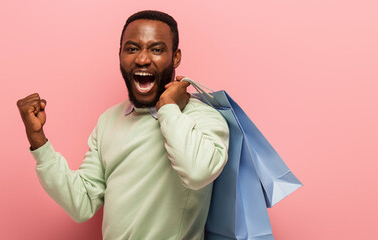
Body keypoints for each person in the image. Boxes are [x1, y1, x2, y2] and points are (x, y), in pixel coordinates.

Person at [15, 10, 229, 240]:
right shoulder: (109, 120)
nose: (142, 59)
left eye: (156, 49)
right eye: (132, 48)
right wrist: (37, 139)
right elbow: (82, 203)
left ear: (175, 57)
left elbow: (197, 173)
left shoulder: (204, 118)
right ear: (120, 55)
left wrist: (167, 107)